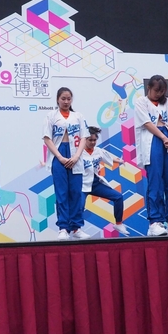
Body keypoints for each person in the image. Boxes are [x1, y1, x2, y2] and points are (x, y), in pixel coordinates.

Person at [134, 75, 168, 236]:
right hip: (153, 140)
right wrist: (164, 138)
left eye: (162, 91)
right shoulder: (141, 102)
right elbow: (147, 123)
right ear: (149, 88)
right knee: (155, 183)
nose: (159, 94)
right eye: (156, 90)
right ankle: (155, 222)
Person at [43, 87, 90, 241]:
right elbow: (47, 138)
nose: (66, 101)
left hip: (75, 156)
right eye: (63, 98)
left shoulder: (78, 116)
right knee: (61, 193)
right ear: (57, 99)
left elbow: (84, 137)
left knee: (76, 192)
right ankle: (63, 228)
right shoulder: (51, 116)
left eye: (68, 99)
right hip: (58, 155)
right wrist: (60, 157)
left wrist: (76, 156)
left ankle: (76, 227)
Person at [81, 126, 129, 236]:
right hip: (82, 185)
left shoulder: (98, 151)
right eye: (90, 140)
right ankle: (76, 230)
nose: (93, 142)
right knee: (79, 206)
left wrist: (120, 161)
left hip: (95, 183)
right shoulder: (78, 152)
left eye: (94, 140)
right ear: (84, 139)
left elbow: (109, 158)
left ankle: (118, 223)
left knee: (118, 197)